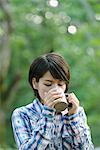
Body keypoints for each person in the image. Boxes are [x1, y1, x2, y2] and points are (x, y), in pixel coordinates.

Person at [12, 53, 94, 150]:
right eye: (48, 84)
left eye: (60, 84)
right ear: (35, 83)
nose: (55, 90)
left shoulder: (77, 112)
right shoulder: (23, 114)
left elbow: (87, 148)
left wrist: (73, 117)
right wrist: (47, 113)